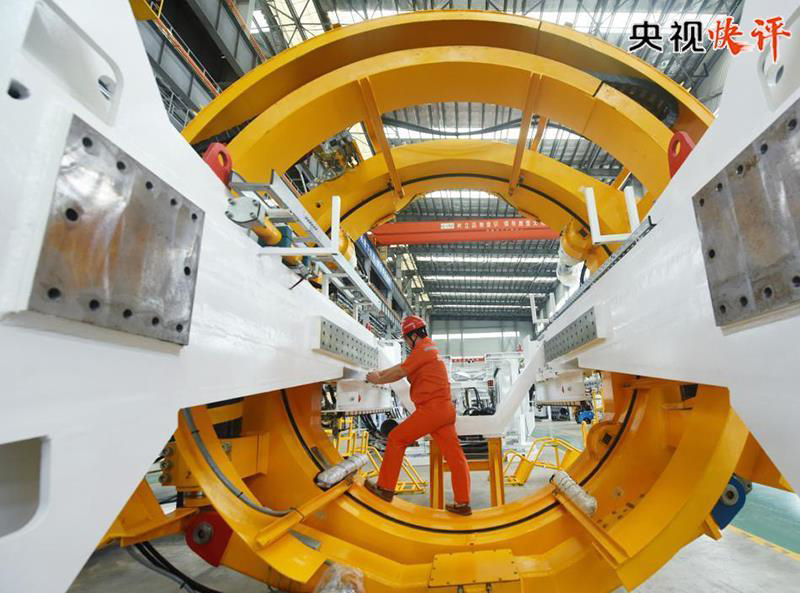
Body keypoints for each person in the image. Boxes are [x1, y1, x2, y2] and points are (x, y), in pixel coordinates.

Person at [363, 315, 472, 515]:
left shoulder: (423, 349)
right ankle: (463, 504)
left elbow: (400, 372)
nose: (406, 343)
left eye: (406, 339)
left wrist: (376, 380)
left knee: (396, 438)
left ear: (413, 336)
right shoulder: (429, 349)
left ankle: (385, 488)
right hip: (445, 410)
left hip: (431, 410)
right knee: (456, 457)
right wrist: (380, 373)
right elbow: (401, 367)